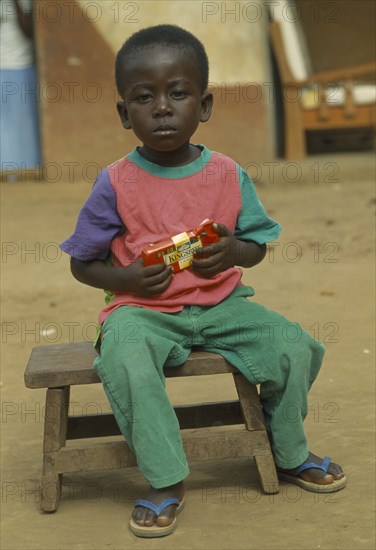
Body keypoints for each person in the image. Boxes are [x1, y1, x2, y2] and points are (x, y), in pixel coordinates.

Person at [60, 24, 346, 538]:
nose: (163, 108)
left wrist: (234, 250)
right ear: (125, 114)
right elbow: (81, 263)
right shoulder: (115, 182)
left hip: (221, 304)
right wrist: (125, 278)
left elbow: (256, 246)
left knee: (295, 346)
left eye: (179, 93)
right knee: (123, 358)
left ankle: (289, 453)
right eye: (144, 98)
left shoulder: (228, 173)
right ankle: (166, 479)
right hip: (143, 312)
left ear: (205, 104)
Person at [0, 0, 41, 179]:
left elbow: (29, 31)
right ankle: (6, 173)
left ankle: (27, 173)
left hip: (22, 66)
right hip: (2, 66)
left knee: (24, 125)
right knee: (5, 127)